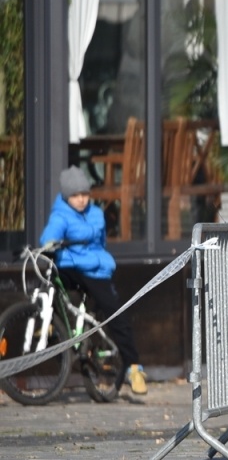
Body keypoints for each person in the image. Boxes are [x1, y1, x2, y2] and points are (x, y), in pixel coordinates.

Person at [40, 167, 147, 396]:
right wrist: (49, 243)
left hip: (96, 269)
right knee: (49, 278)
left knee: (115, 313)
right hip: (71, 266)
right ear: (66, 196)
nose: (81, 199)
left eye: (85, 194)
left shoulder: (97, 214)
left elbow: (101, 244)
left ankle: (133, 367)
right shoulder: (60, 214)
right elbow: (50, 234)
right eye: (75, 195)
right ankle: (47, 324)